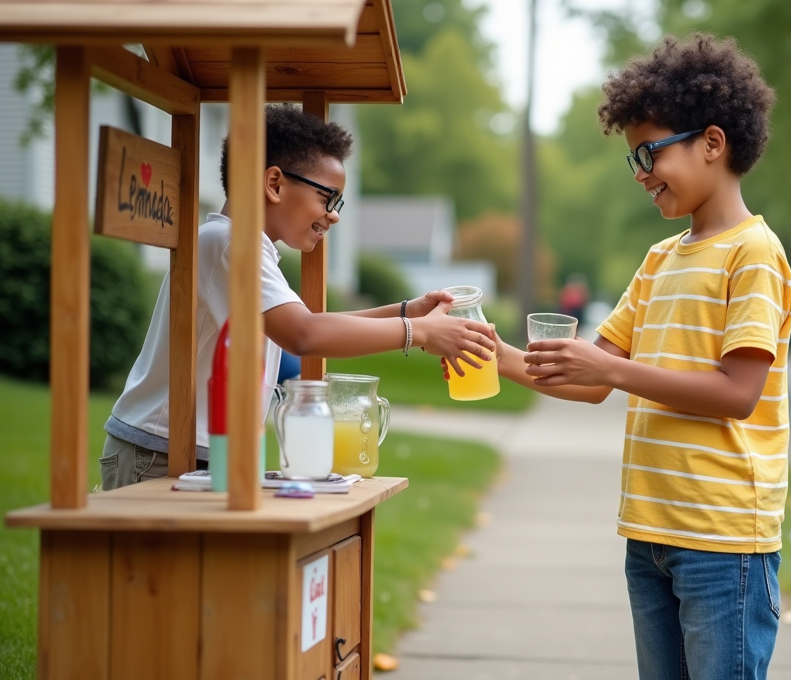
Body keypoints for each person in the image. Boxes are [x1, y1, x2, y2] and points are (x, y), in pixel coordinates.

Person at [478, 34, 791, 680]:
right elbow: (590, 378)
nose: (640, 173)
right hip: (650, 530)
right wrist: (494, 354)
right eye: (634, 158)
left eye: (650, 152)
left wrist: (614, 371)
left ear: (712, 143)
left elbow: (737, 393)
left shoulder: (754, 254)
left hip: (721, 540)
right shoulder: (660, 260)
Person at [101, 104, 495, 490]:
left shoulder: (245, 248)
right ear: (274, 184)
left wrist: (408, 312)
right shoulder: (230, 244)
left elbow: (313, 324)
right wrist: (418, 331)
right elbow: (304, 335)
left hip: (191, 450)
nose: (334, 215)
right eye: (328, 198)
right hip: (157, 452)